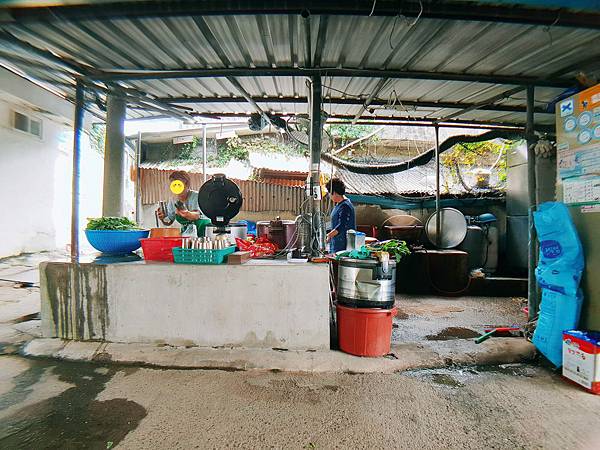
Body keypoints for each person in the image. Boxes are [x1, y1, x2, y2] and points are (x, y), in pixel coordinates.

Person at [156, 171, 211, 237]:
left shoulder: (198, 197)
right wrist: (162, 218)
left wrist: (187, 214)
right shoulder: (173, 200)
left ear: (187, 184)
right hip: (187, 235)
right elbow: (169, 221)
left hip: (204, 233)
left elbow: (197, 215)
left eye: (179, 185)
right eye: (174, 185)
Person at [326, 178, 356, 253]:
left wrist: (329, 235)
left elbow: (341, 225)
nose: (329, 195)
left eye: (329, 193)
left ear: (335, 192)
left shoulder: (345, 206)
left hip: (343, 246)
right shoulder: (339, 205)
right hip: (337, 244)